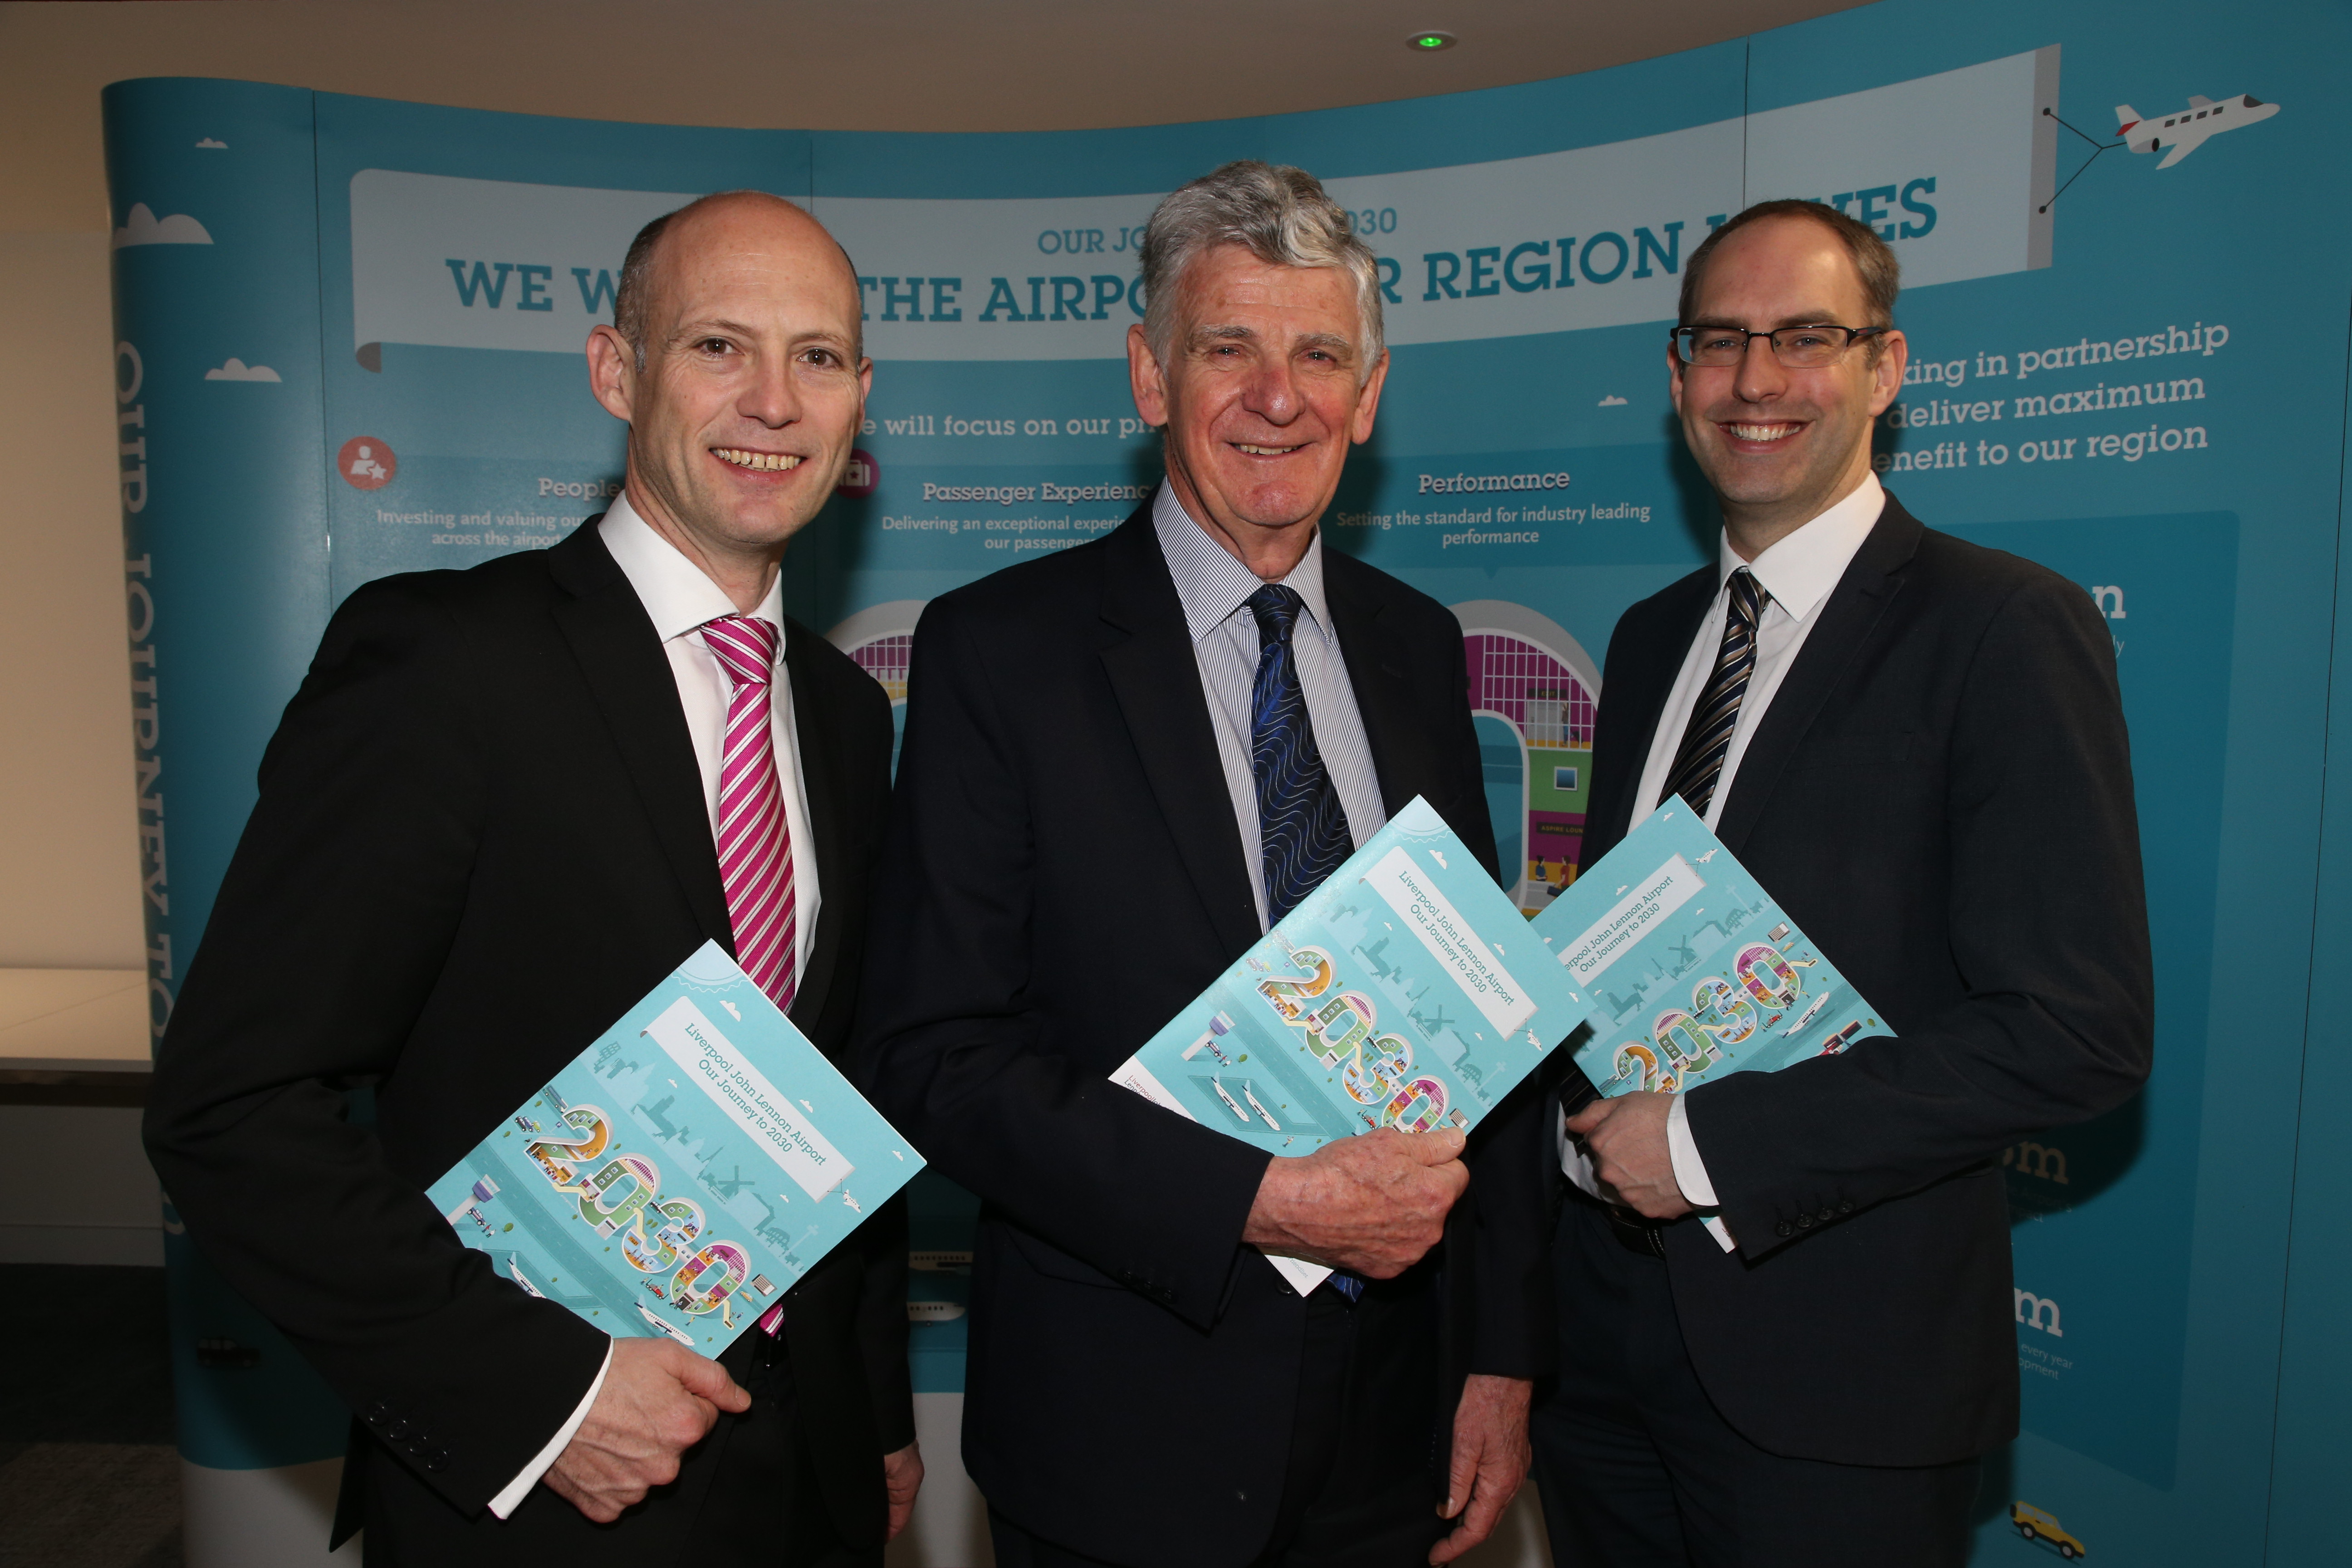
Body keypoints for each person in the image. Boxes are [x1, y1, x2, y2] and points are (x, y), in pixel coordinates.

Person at [144, 191, 921, 1567]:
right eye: (718, 347)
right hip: (547, 1490)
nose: (773, 401)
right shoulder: (448, 664)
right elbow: (232, 1109)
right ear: (617, 371)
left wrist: (876, 1412)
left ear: (860, 396)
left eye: (816, 357)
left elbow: (828, 1092)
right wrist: (547, 1399)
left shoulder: (848, 718)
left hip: (807, 1472)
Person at [856, 161, 1549, 1568]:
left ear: (1370, 394)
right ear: (1150, 376)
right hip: (1125, 1431)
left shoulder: (1418, 649)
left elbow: (1488, 1031)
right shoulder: (1004, 652)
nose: (1277, 398)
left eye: (1321, 357)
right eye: (1229, 347)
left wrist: (1501, 1353)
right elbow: (935, 1056)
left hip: (1397, 1425)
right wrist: (1260, 1200)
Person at [1530, 199, 2155, 1567]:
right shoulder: (1651, 639)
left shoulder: (2003, 628)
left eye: (1805, 337)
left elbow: (2078, 1030)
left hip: (1838, 1371)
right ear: (1677, 375)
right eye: (1719, 341)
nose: (1755, 380)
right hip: (1597, 1347)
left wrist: (1706, 1147)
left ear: (1886, 368)